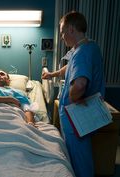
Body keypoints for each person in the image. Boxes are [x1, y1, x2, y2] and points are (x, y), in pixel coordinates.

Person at [42, 11, 105, 177]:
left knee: (79, 158)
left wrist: (72, 99)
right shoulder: (89, 47)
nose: (62, 38)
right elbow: (70, 67)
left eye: (62, 33)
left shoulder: (82, 53)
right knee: (82, 154)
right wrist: (52, 74)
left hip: (75, 116)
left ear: (70, 29)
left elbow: (80, 83)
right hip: (84, 114)